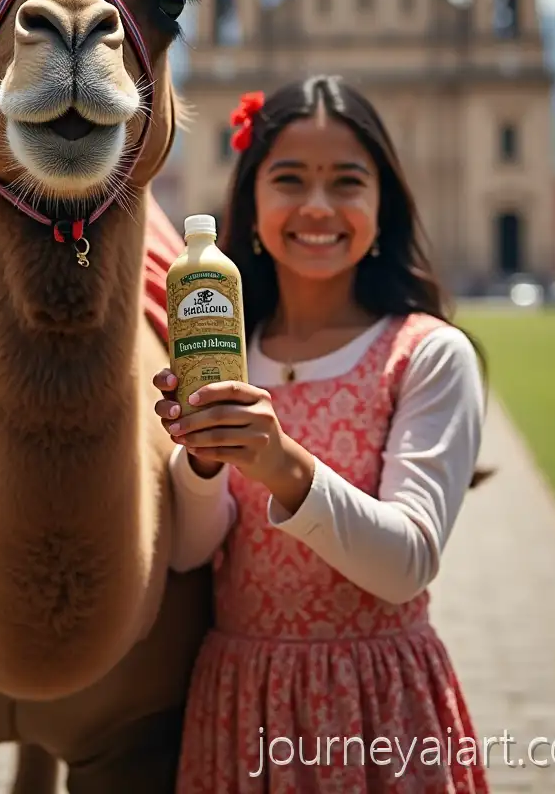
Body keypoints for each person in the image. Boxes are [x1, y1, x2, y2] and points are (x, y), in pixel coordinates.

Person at [156, 75, 490, 793]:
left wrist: (283, 465)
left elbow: (406, 565)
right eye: (289, 179)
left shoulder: (426, 355)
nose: (316, 207)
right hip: (240, 703)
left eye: (346, 182)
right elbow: (187, 552)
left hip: (376, 707)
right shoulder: (219, 343)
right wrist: (204, 463)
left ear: (383, 205)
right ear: (248, 202)